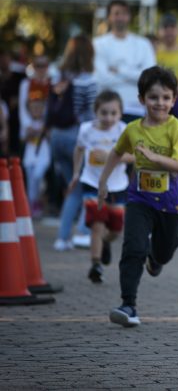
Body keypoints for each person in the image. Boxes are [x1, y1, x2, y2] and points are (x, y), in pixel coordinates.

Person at [99, 66, 178, 327]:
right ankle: (128, 304)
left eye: (165, 98)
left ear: (173, 100)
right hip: (139, 199)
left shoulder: (177, 129)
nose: (159, 103)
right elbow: (116, 153)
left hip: (171, 203)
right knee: (132, 248)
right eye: (153, 97)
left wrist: (155, 158)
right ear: (141, 99)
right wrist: (103, 181)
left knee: (163, 253)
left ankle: (156, 257)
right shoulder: (132, 129)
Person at [68, 91, 131, 284]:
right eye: (104, 113)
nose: (109, 118)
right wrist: (76, 173)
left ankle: (105, 242)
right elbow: (78, 149)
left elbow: (135, 157)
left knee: (115, 230)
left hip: (117, 186)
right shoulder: (87, 129)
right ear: (96, 112)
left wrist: (112, 157)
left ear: (121, 113)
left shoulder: (124, 130)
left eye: (113, 113)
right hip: (92, 183)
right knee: (97, 224)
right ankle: (95, 265)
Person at [52, 34, 98, 251]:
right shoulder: (88, 80)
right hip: (78, 138)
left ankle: (62, 238)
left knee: (73, 187)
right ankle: (83, 231)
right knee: (88, 185)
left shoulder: (57, 76)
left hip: (56, 137)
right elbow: (90, 114)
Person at [93, 0, 157, 122]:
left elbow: (150, 78)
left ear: (129, 16)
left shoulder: (143, 44)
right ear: (109, 17)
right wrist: (135, 73)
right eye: (116, 13)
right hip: (107, 113)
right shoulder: (98, 44)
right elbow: (101, 79)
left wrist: (118, 70)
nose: (120, 17)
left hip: (136, 110)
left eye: (124, 13)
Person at [21, 95, 50, 218]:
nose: (36, 111)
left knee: (38, 176)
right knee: (31, 182)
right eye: (34, 108)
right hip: (29, 158)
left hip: (43, 157)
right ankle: (32, 206)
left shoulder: (46, 123)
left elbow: (50, 137)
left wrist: (43, 131)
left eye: (39, 108)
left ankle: (38, 200)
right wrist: (30, 133)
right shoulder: (27, 124)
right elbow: (23, 139)